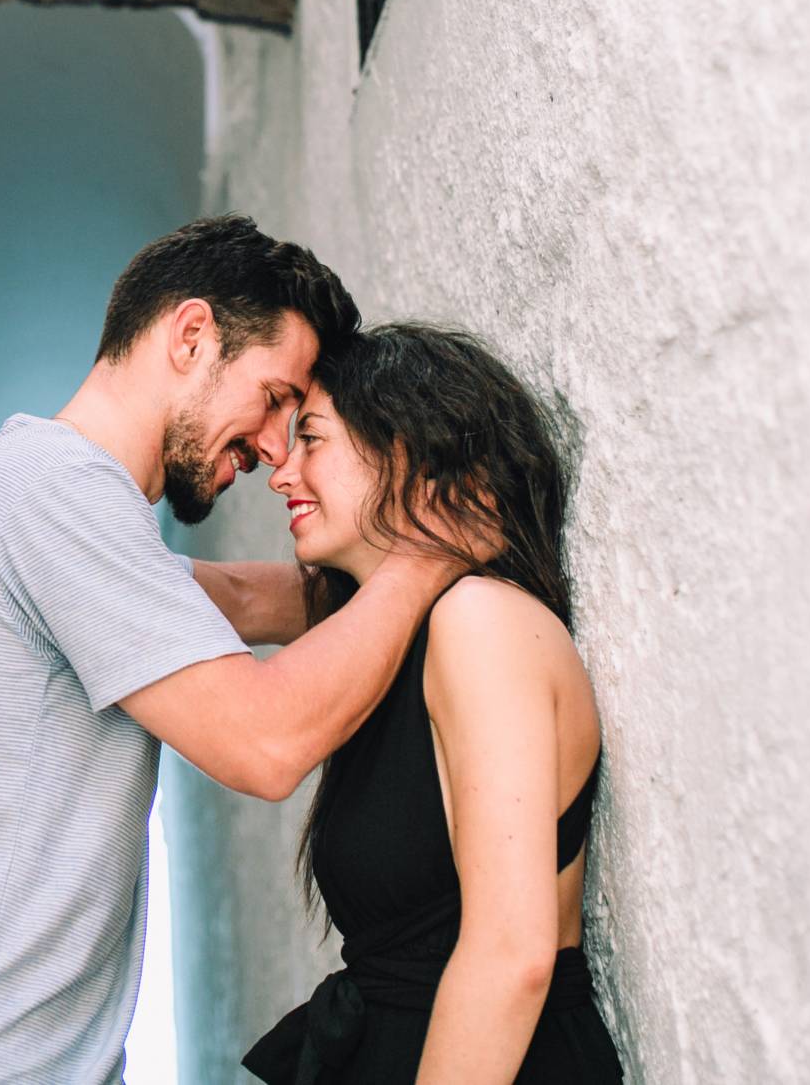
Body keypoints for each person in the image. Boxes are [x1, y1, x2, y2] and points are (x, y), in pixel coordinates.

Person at [0, 218, 465, 1084]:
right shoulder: (56, 496)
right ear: (192, 336)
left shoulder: (26, 497)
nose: (273, 448)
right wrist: (427, 555)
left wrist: (376, 546)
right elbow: (264, 743)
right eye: (273, 397)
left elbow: (244, 596)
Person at [218, 323, 625, 1084]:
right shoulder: (390, 628)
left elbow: (512, 955)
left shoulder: (481, 621)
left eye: (313, 438)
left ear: (408, 450)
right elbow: (228, 597)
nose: (281, 474)